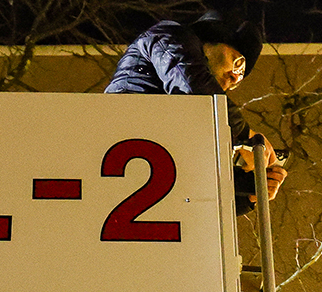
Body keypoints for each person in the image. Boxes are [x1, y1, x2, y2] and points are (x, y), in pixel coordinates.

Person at [104, 11, 286, 212]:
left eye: (241, 77)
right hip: (115, 154)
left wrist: (248, 196)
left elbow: (194, 200)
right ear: (210, 42)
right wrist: (245, 137)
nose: (235, 79)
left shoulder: (192, 119)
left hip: (130, 181)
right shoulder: (169, 36)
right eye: (237, 63)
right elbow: (193, 84)